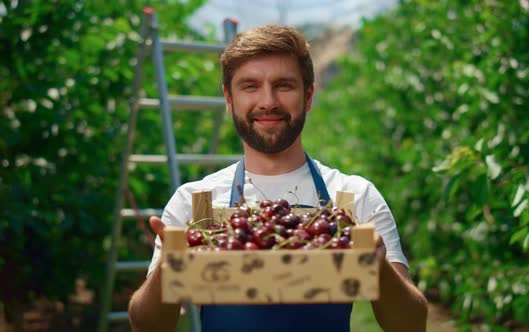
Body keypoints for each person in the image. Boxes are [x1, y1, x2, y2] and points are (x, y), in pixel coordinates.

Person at [128, 24, 428, 332]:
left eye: (284, 85)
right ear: (229, 99)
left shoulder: (353, 197)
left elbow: (410, 325)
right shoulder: (196, 203)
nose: (268, 101)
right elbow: (148, 327)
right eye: (250, 86)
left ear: (308, 96)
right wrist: (168, 268)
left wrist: (380, 269)